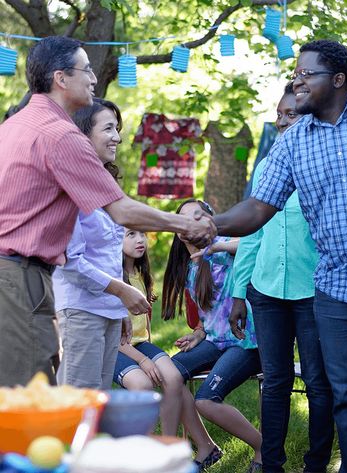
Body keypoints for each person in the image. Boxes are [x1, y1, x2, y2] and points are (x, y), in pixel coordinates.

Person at [214, 39, 347, 472]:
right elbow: (258, 208)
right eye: (294, 74)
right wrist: (203, 225)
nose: (296, 81)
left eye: (304, 74)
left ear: (338, 80)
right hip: (333, 294)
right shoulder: (294, 142)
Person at [0, 35, 215, 387]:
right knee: (32, 395)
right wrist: (186, 224)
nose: (94, 78)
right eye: (86, 70)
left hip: (23, 278)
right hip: (22, 278)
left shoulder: (13, 127)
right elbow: (122, 211)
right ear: (61, 78)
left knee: (23, 391)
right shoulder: (62, 136)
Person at [230, 83, 334, 473]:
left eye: (292, 114)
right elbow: (253, 235)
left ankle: (316, 464)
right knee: (274, 382)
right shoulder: (267, 167)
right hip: (267, 291)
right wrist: (239, 293)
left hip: (313, 291)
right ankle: (270, 463)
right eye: (279, 114)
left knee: (318, 383)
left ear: (309, 118)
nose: (283, 121)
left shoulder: (325, 164)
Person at [53, 98, 147, 389]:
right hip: (80, 309)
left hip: (107, 308)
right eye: (108, 128)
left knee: (98, 401)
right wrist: (122, 291)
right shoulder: (67, 183)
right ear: (82, 134)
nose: (117, 137)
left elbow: (107, 254)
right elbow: (71, 261)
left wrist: (117, 308)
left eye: (116, 128)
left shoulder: (103, 182)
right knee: (78, 403)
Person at [162, 199, 262, 473]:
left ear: (210, 221)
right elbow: (210, 313)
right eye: (184, 218)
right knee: (168, 374)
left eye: (198, 216)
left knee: (205, 400)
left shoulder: (227, 245)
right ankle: (205, 447)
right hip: (215, 340)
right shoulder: (189, 267)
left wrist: (215, 245)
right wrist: (199, 333)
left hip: (246, 341)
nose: (191, 222)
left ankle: (263, 447)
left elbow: (253, 246)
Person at [113, 228, 221, 463]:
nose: (140, 239)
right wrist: (143, 361)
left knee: (173, 377)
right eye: (130, 234)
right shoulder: (114, 279)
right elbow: (112, 335)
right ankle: (147, 455)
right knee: (141, 384)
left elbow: (144, 324)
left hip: (140, 344)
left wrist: (149, 352)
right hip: (113, 348)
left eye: (142, 234)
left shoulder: (141, 273)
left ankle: (169, 447)